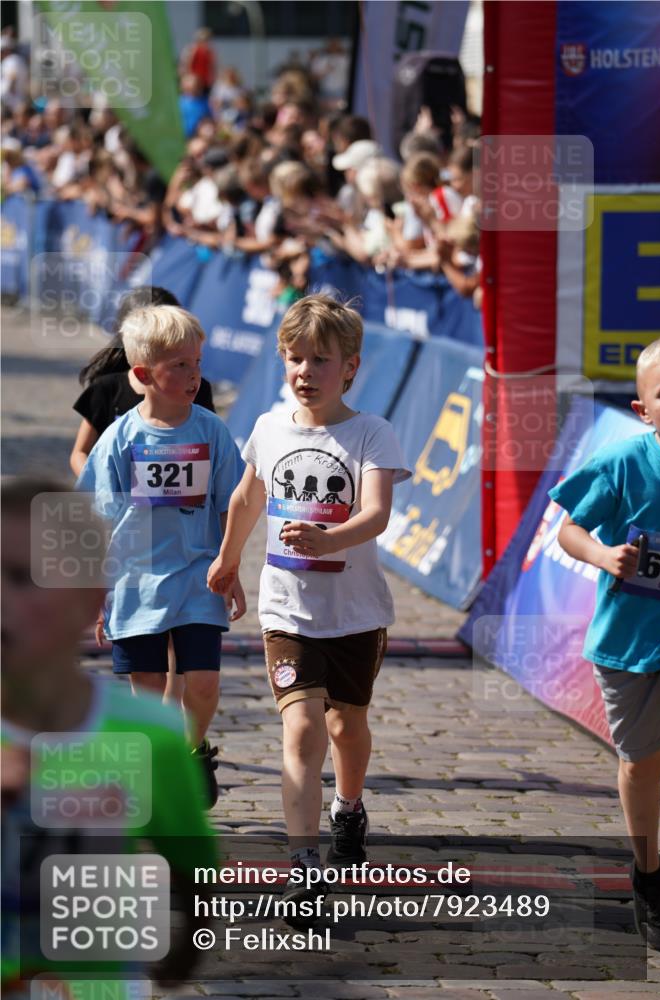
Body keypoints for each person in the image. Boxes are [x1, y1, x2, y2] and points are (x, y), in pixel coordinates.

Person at [207, 294, 410, 923]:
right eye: (294, 358)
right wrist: (227, 560)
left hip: (356, 614)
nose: (305, 371)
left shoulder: (371, 432)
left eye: (320, 359)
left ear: (350, 367)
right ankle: (304, 867)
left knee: (347, 726)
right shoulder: (269, 428)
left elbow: (376, 513)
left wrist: (331, 540)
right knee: (301, 728)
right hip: (287, 612)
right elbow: (246, 499)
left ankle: (348, 806)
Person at [1, 478, 218, 992]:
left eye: (21, 578)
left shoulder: (152, 736)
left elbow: (195, 871)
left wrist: (187, 946)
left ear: (90, 600)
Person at [77, 305, 246, 808]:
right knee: (147, 689)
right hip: (134, 582)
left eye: (198, 363)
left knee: (204, 683)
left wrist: (231, 563)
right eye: (180, 365)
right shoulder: (119, 437)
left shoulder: (212, 431)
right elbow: (94, 518)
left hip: (199, 576)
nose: (195, 376)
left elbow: (230, 503)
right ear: (144, 374)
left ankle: (192, 750)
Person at [549, 337, 660, 952]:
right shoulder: (623, 461)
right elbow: (568, 528)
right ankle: (648, 871)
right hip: (629, 643)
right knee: (641, 764)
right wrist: (603, 556)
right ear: (643, 409)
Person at [70, 286, 216, 478]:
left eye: (197, 361)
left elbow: (215, 457)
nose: (193, 372)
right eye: (181, 364)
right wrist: (102, 486)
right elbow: (80, 453)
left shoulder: (199, 391)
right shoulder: (106, 391)